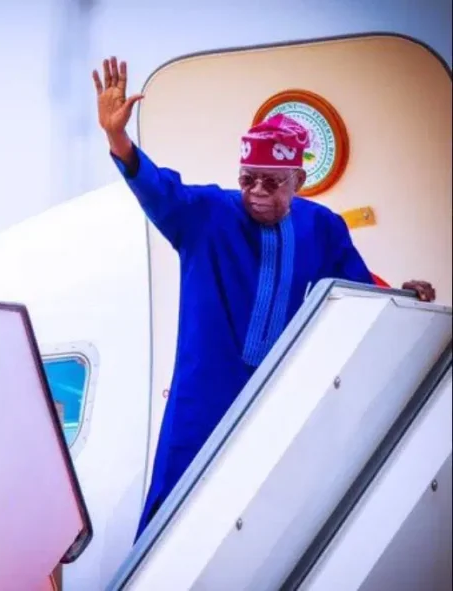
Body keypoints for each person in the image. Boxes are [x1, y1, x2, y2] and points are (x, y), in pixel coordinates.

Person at [92, 56, 436, 541]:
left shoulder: (322, 227)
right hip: (203, 396)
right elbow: (159, 190)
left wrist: (404, 295)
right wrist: (118, 138)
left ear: (298, 182)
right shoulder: (207, 214)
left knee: (263, 517)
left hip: (279, 396)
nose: (255, 191)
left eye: (271, 182)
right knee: (175, 508)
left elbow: (358, 289)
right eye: (247, 178)